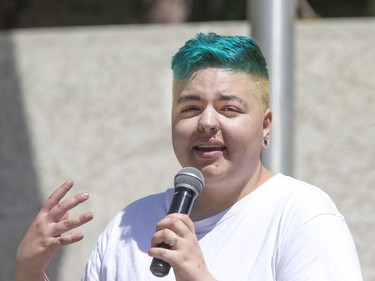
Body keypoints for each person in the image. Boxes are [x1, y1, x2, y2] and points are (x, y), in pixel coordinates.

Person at [14, 32, 363, 281]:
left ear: (265, 126)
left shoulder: (303, 218)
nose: (207, 123)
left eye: (229, 109)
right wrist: (29, 272)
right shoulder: (129, 225)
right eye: (190, 108)